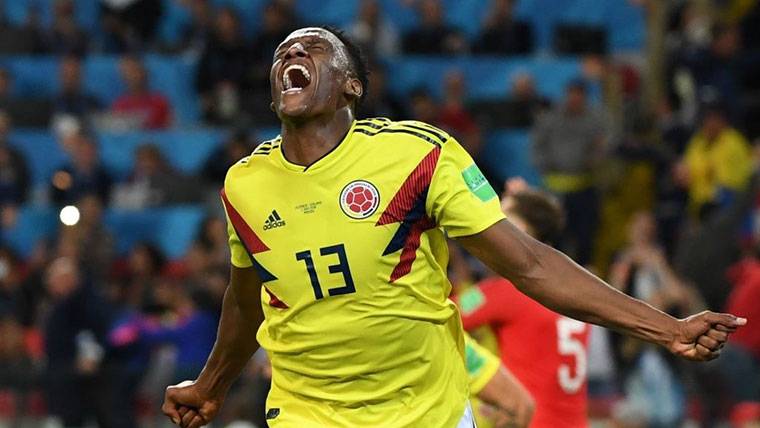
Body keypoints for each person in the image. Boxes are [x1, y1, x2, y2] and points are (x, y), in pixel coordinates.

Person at [163, 26, 746, 428]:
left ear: (351, 85)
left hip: (426, 413)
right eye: (283, 53)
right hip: (305, 413)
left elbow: (529, 263)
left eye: (314, 48)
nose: (292, 53)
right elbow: (245, 301)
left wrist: (666, 327)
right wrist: (210, 385)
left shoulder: (417, 155)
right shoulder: (245, 184)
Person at [458, 185, 590, 428]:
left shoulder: (507, 291)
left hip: (530, 422)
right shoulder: (575, 287)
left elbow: (444, 314)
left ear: (521, 231)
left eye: (503, 218)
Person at [531, 79, 610, 265]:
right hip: (554, 190)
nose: (575, 99)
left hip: (584, 188)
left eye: (579, 95)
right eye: (572, 94)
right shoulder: (550, 119)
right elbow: (537, 147)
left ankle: (585, 272)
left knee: (585, 239)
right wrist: (546, 164)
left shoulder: (595, 120)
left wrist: (597, 157)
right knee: (554, 238)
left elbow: (607, 142)